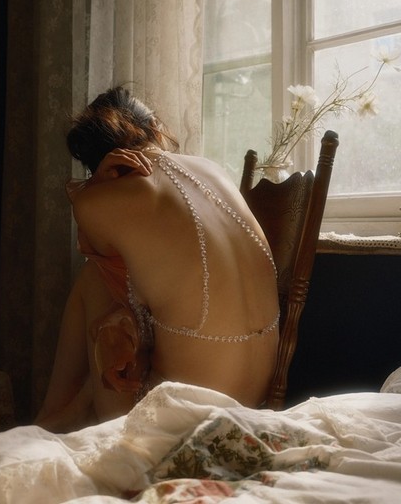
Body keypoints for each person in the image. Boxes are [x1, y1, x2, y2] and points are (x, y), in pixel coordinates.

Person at [35, 86, 279, 432]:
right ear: (155, 127)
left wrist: (95, 185)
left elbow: (116, 282)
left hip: (182, 418)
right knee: (125, 295)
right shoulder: (211, 169)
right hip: (254, 400)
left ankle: (52, 416)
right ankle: (69, 411)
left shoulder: (95, 202)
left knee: (94, 278)